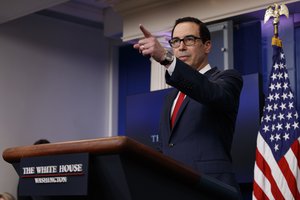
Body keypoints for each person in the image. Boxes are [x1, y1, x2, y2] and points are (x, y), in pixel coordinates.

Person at [133, 17, 243, 192]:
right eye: (175, 41)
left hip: (210, 188)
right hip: (172, 188)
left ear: (207, 46)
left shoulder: (227, 79)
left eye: (189, 40)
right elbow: (165, 148)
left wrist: (166, 58)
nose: (181, 47)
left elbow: (210, 93)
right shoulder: (171, 97)